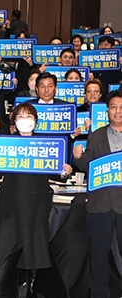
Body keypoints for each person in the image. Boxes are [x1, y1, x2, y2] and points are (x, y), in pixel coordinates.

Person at [0, 102, 72, 292]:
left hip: (36, 203)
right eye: (21, 117)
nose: (25, 120)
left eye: (29, 116)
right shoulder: (6, 143)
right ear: (14, 121)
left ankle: (31, 287)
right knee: (9, 247)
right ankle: (9, 287)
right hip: (12, 202)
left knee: (34, 248)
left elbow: (57, 173)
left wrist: (65, 172)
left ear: (36, 121)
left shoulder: (47, 144)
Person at [73, 89, 122, 298]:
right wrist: (78, 158)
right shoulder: (96, 136)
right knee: (98, 254)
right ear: (107, 111)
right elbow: (88, 166)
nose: (118, 111)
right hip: (100, 205)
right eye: (113, 107)